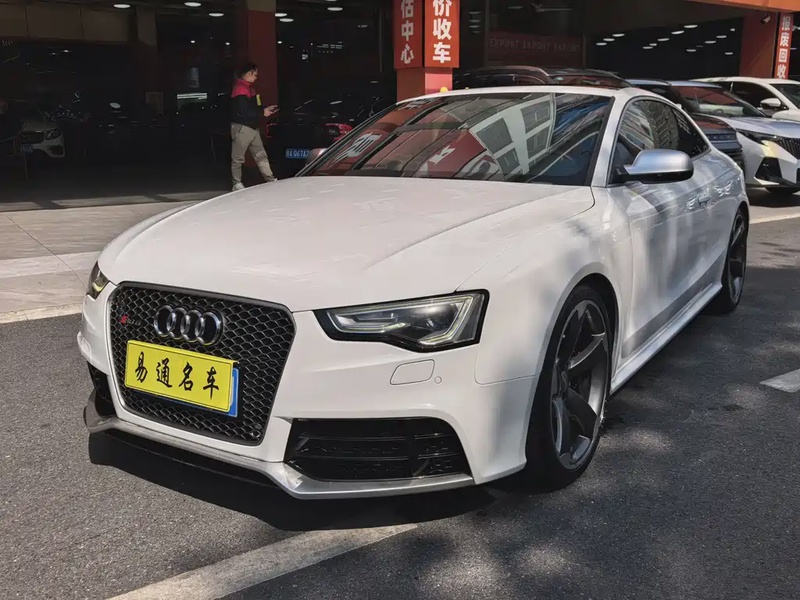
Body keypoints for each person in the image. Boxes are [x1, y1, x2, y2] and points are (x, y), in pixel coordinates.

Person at [230, 62, 278, 191]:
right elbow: (244, 112)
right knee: (238, 157)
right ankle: (236, 183)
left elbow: (254, 107)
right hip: (243, 128)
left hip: (252, 127)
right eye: (255, 75)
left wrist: (265, 109)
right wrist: (262, 112)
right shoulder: (240, 89)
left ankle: (270, 179)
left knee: (261, 155)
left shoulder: (250, 88)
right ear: (249, 73)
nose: (256, 77)